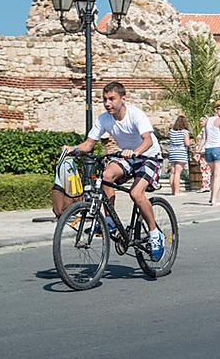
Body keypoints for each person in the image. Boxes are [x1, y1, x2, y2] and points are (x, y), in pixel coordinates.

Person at [62, 81, 166, 260]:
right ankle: (109, 222)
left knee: (136, 193)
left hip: (149, 156)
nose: (107, 103)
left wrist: (135, 152)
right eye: (104, 99)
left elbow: (148, 140)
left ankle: (155, 234)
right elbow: (89, 144)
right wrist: (74, 148)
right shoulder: (104, 118)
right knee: (106, 176)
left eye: (112, 99)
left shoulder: (135, 115)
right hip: (128, 157)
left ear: (123, 99)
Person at [168, 115, 193, 196]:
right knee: (177, 173)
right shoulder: (185, 132)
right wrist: (190, 141)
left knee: (172, 173)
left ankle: (173, 191)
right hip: (181, 153)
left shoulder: (171, 131)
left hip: (172, 152)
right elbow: (187, 143)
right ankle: (177, 191)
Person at [193, 116, 211, 193]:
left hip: (203, 151)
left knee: (205, 168)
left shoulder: (205, 129)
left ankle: (205, 185)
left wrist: (198, 150)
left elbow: (204, 140)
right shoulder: (203, 130)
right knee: (205, 168)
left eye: (202, 121)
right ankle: (206, 185)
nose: (200, 123)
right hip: (203, 150)